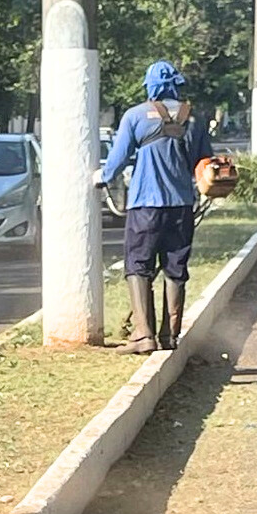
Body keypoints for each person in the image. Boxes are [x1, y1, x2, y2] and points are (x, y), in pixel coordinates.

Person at [95, 60, 213, 353]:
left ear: (150, 86)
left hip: (145, 205)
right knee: (175, 267)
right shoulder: (194, 118)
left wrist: (102, 177)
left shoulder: (135, 115)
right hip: (182, 205)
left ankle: (143, 336)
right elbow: (205, 164)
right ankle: (169, 336)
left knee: (138, 265)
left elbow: (118, 157)